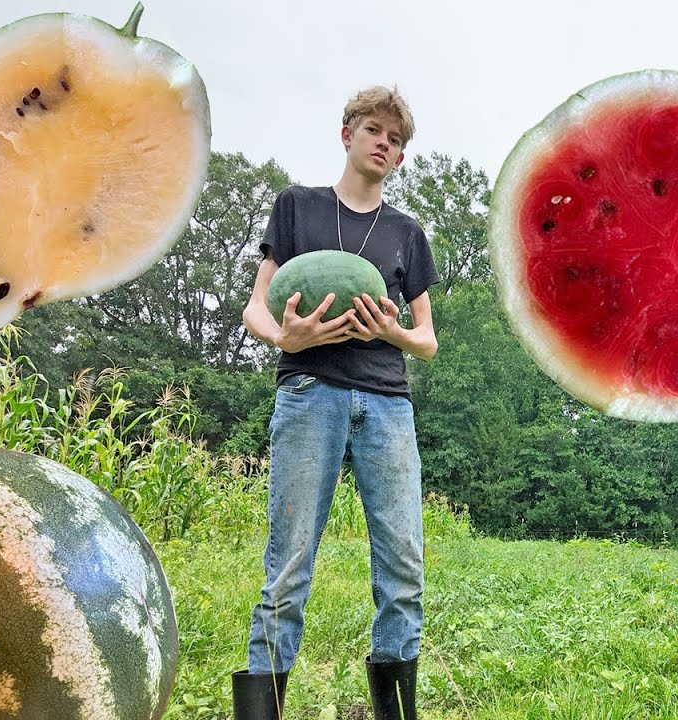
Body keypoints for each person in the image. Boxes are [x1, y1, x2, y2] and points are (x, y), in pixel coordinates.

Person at [232, 85, 438, 720]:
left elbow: (426, 341)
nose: (384, 144)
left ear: (400, 157)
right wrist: (284, 336)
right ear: (347, 134)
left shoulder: (407, 234)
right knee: (289, 565)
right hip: (308, 394)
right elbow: (255, 309)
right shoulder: (297, 207)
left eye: (396, 140)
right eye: (374, 130)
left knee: (403, 569)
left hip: (387, 404)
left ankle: (393, 712)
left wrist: (391, 332)